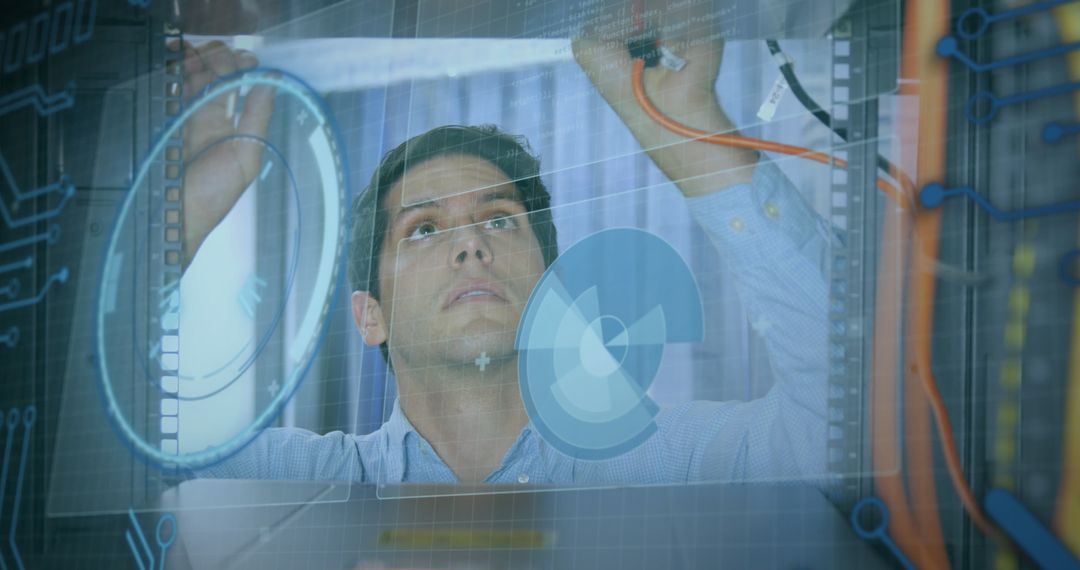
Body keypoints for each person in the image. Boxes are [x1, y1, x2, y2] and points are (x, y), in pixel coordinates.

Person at [180, 35, 831, 485]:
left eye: (498, 219)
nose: (471, 245)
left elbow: (836, 431)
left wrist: (689, 123)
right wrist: (181, 214)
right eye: (423, 228)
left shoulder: (660, 467)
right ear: (369, 315)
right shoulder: (296, 486)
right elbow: (111, 445)